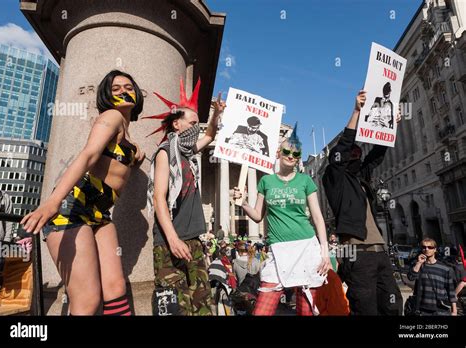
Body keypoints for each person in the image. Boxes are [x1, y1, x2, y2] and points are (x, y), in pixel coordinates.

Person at [20, 70, 145, 315]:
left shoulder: (127, 134)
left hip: (99, 213)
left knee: (116, 288)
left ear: (137, 93)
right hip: (71, 207)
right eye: (115, 88)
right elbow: (88, 154)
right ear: (106, 96)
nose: (123, 91)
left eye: (128, 87)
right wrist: (53, 201)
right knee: (87, 300)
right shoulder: (111, 116)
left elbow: (117, 160)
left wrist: (135, 153)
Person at [234, 123, 331, 316]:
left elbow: (318, 218)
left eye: (296, 154)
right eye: (287, 151)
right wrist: (243, 203)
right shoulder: (266, 181)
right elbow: (257, 215)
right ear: (278, 152)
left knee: (305, 310)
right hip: (278, 251)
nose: (291, 156)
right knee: (262, 310)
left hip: (306, 247)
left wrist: (325, 253)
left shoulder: (305, 181)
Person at [148, 79, 226, 316]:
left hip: (193, 240)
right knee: (175, 308)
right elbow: (159, 199)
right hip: (169, 242)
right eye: (192, 123)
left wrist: (215, 115)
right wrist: (172, 239)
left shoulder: (188, 152)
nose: (196, 127)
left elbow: (210, 135)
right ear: (176, 124)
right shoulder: (165, 153)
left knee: (202, 306)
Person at [322, 90, 402, 315]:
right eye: (352, 153)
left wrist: (389, 125)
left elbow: (376, 154)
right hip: (357, 252)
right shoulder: (334, 178)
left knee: (392, 305)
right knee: (366, 308)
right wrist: (357, 112)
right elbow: (343, 146)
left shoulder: (361, 180)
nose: (357, 155)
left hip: (379, 252)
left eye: (358, 152)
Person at [407, 238, 458, 316]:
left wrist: (454, 311)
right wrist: (419, 263)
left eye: (430, 247)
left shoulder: (445, 268)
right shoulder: (418, 265)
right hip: (421, 309)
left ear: (435, 250)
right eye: (424, 247)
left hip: (441, 309)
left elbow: (451, 290)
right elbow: (411, 277)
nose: (426, 249)